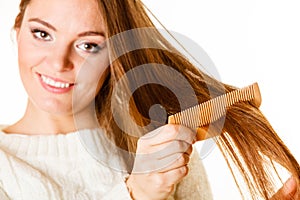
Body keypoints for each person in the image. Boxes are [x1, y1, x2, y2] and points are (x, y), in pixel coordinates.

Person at [0, 0, 298, 199]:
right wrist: (136, 193)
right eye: (41, 33)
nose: (58, 62)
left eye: (88, 45)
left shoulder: (162, 146)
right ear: (17, 30)